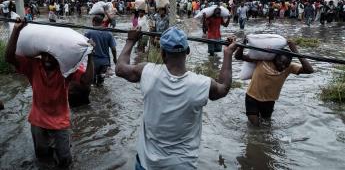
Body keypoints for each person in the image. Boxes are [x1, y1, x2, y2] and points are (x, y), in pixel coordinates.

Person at [115, 27, 238, 170]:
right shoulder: (202, 84)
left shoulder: (147, 72)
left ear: (162, 53)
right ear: (188, 51)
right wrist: (228, 54)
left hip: (147, 164)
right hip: (182, 165)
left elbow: (120, 69)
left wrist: (131, 40)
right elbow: (224, 88)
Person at [5, 19, 94, 168]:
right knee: (42, 157)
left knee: (65, 159)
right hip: (38, 119)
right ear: (40, 54)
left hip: (60, 121)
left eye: (51, 56)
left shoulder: (65, 68)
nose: (46, 59)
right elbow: (9, 58)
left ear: (58, 56)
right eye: (44, 55)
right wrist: (16, 30)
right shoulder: (33, 66)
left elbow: (86, 81)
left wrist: (90, 55)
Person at [235, 39, 314, 126]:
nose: (283, 66)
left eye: (286, 64)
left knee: (266, 124)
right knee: (255, 125)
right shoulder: (263, 60)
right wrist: (243, 45)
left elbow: (309, 70)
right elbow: (238, 57)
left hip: (269, 101)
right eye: (281, 62)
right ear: (275, 58)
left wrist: (296, 52)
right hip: (252, 97)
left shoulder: (290, 67)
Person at [85, 15, 117, 86]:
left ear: (93, 22)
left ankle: (95, 96)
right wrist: (115, 59)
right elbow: (113, 49)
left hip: (93, 62)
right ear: (102, 22)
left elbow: (83, 47)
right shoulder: (109, 33)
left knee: (92, 83)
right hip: (105, 62)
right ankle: (101, 94)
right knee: (101, 82)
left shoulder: (89, 32)